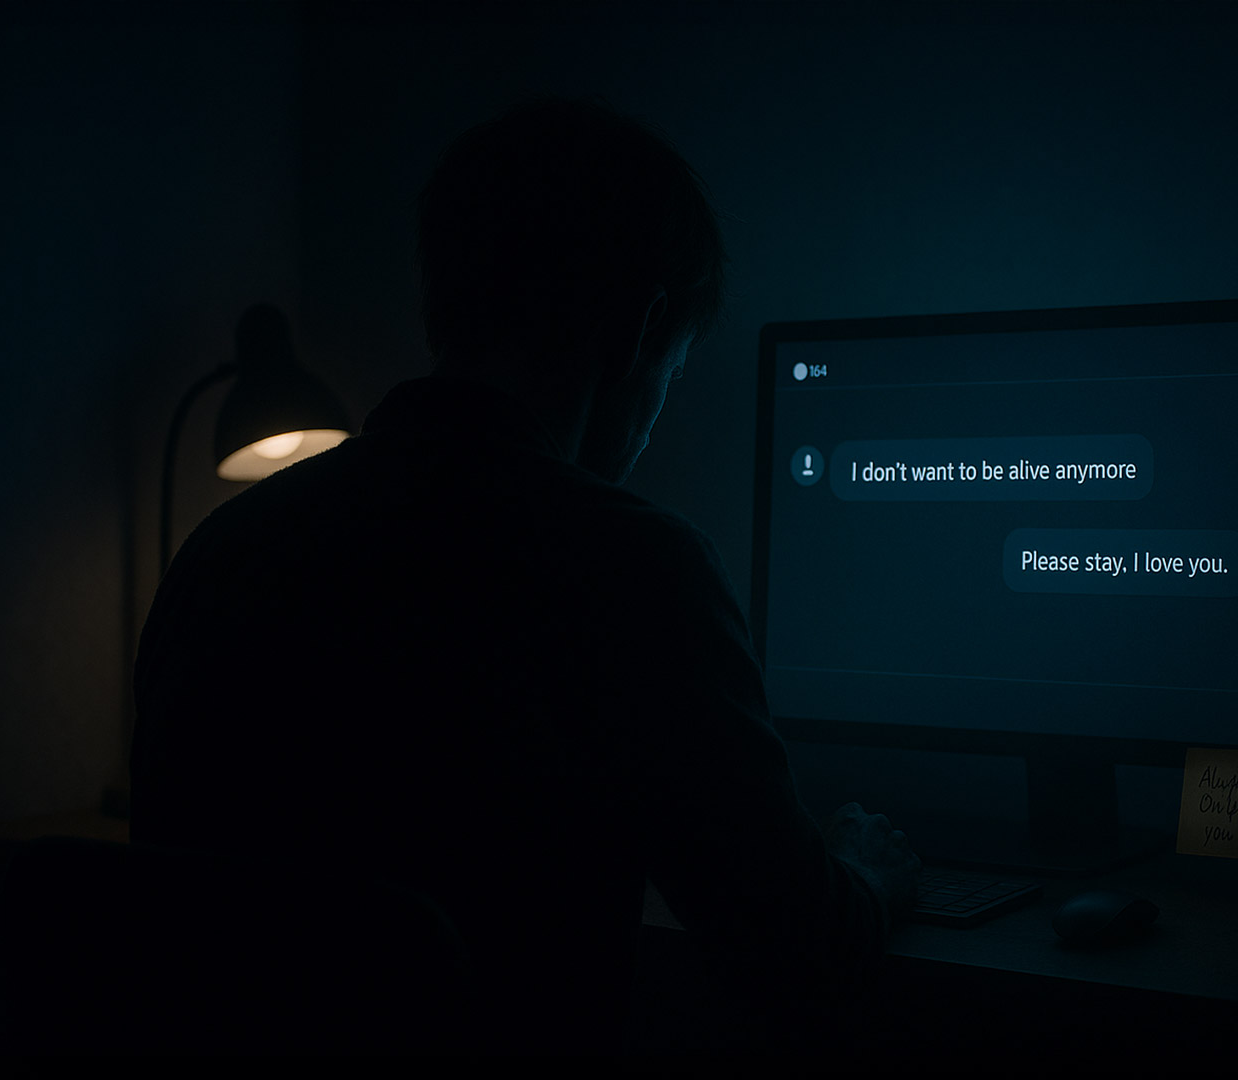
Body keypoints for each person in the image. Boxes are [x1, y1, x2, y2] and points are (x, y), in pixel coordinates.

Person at [130, 96, 920, 1053]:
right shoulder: (633, 568)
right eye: (674, 366)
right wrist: (867, 872)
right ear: (640, 331)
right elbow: (798, 954)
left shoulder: (224, 551)